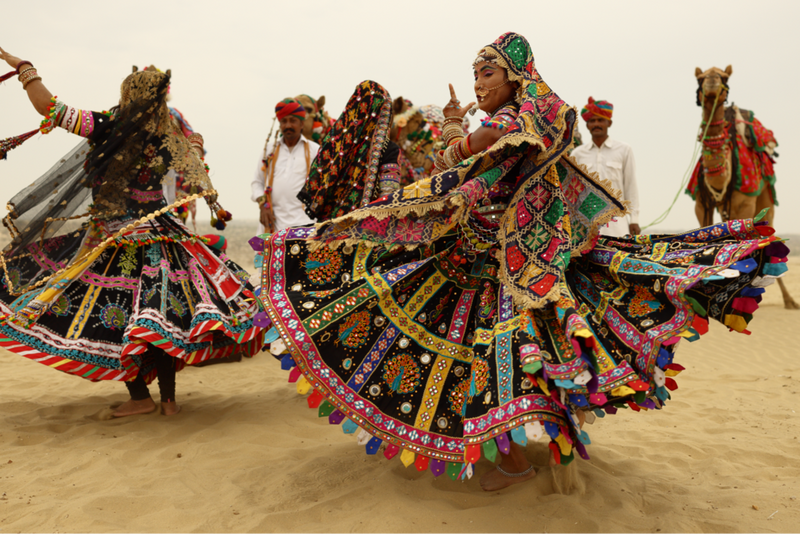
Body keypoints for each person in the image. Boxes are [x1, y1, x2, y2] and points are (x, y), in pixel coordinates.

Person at [253, 32, 786, 492]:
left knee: (492, 351)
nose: (479, 81)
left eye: (487, 72)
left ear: (513, 75)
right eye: (475, 74)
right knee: (529, 349)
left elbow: (464, 158)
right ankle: (549, 451)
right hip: (516, 253)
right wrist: (457, 136)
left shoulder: (515, 119)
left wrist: (452, 134)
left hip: (503, 259)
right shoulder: (536, 114)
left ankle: (511, 461)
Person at [0, 47, 264, 417]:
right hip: (166, 237)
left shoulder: (109, 125)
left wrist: (24, 68)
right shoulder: (170, 137)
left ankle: (140, 398)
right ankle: (168, 403)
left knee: (122, 315)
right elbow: (194, 162)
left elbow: (50, 109)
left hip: (116, 238)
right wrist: (197, 142)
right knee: (162, 315)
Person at [298, 80, 401, 222]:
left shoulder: (334, 143)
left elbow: (319, 186)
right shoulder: (389, 149)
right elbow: (389, 199)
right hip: (365, 232)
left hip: (327, 230)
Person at [570, 97, 640, 237]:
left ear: (609, 123)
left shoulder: (624, 150)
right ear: (587, 125)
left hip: (618, 226)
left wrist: (634, 219)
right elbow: (573, 192)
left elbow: (630, 187)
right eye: (592, 121)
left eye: (600, 120)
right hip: (586, 226)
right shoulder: (578, 154)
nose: (596, 124)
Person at [251, 98, 319, 235]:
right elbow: (257, 183)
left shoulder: (315, 150)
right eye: (284, 121)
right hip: (273, 224)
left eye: (293, 121)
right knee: (266, 257)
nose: (288, 125)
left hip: (305, 224)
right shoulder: (269, 150)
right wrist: (262, 205)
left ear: (302, 124)